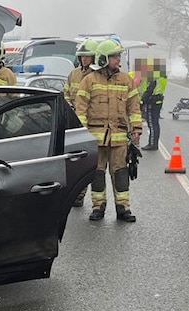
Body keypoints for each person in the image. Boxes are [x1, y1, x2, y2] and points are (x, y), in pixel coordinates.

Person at [75, 38, 143, 222]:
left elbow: (134, 107)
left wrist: (136, 128)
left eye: (118, 56)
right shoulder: (89, 80)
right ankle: (98, 207)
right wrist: (82, 134)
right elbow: (80, 109)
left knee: (121, 173)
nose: (118, 60)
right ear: (104, 58)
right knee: (97, 174)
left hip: (119, 139)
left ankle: (123, 209)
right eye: (115, 57)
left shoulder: (126, 80)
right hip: (95, 139)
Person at [65, 39, 98, 207]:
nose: (84, 59)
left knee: (92, 160)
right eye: (82, 56)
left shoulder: (97, 75)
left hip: (93, 124)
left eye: (87, 56)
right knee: (78, 159)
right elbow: (65, 93)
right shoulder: (74, 74)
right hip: (75, 123)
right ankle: (78, 195)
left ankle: (87, 196)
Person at [140, 59, 167, 150]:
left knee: (151, 124)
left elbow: (149, 90)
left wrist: (142, 101)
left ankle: (152, 144)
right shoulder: (162, 76)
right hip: (158, 102)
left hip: (152, 102)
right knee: (155, 123)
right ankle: (154, 143)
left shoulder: (153, 77)